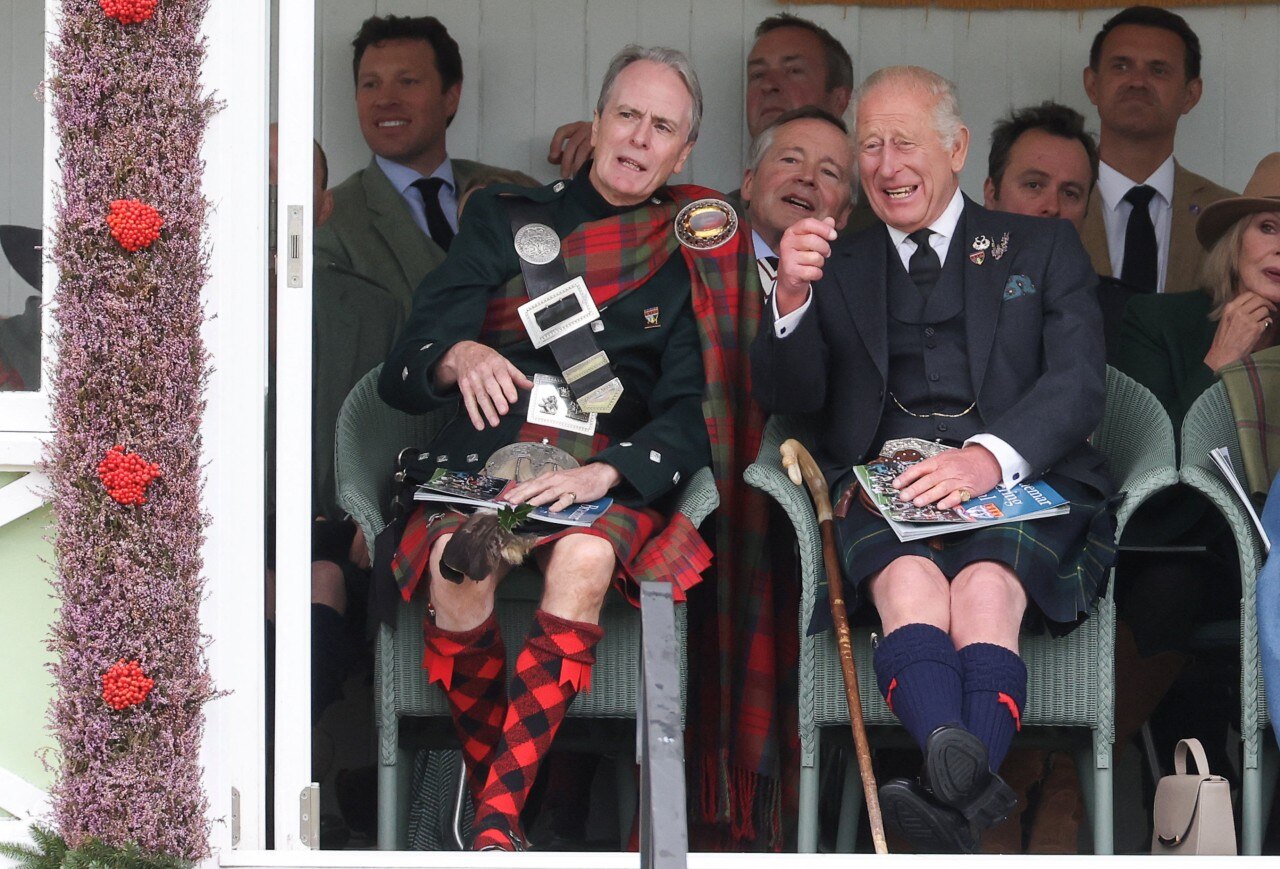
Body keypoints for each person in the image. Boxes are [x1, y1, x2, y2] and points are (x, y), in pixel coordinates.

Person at [378, 45, 764, 852]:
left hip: (604, 471)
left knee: (585, 562)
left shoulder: (694, 247)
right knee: (462, 568)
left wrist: (610, 469)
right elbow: (407, 359)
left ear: (684, 152)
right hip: (491, 458)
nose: (637, 139)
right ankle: (507, 807)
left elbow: (699, 409)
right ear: (596, 122)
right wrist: (457, 355)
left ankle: (489, 822)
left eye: (662, 127)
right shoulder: (507, 218)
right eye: (626, 115)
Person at [751, 65, 1116, 853]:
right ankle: (964, 804)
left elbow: (1081, 383)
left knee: (987, 589)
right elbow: (790, 393)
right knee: (910, 584)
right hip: (885, 485)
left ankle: (945, 802)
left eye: (905, 142)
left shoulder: (1041, 245)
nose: (886, 166)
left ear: (955, 148)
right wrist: (787, 301)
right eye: (871, 146)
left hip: (1021, 482)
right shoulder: (835, 261)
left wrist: (989, 459)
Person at [315, 15, 535, 314]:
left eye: (407, 81)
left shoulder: (511, 189)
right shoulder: (331, 221)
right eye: (370, 84)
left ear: (451, 97)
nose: (385, 99)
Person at [1117, 152, 1280, 431]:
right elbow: (1148, 459)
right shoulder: (1155, 320)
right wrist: (1221, 359)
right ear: (1236, 240)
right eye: (1268, 227)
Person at [1080, 5, 1233, 296]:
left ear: (1191, 95)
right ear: (1092, 84)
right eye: (1121, 66)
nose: (1137, 82)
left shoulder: (1226, 216)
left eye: (1158, 70)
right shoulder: (1048, 204)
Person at [741, 106, 856, 291]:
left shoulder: (851, 291)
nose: (807, 177)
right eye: (790, 160)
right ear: (749, 182)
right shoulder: (701, 261)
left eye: (828, 172)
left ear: (844, 213)